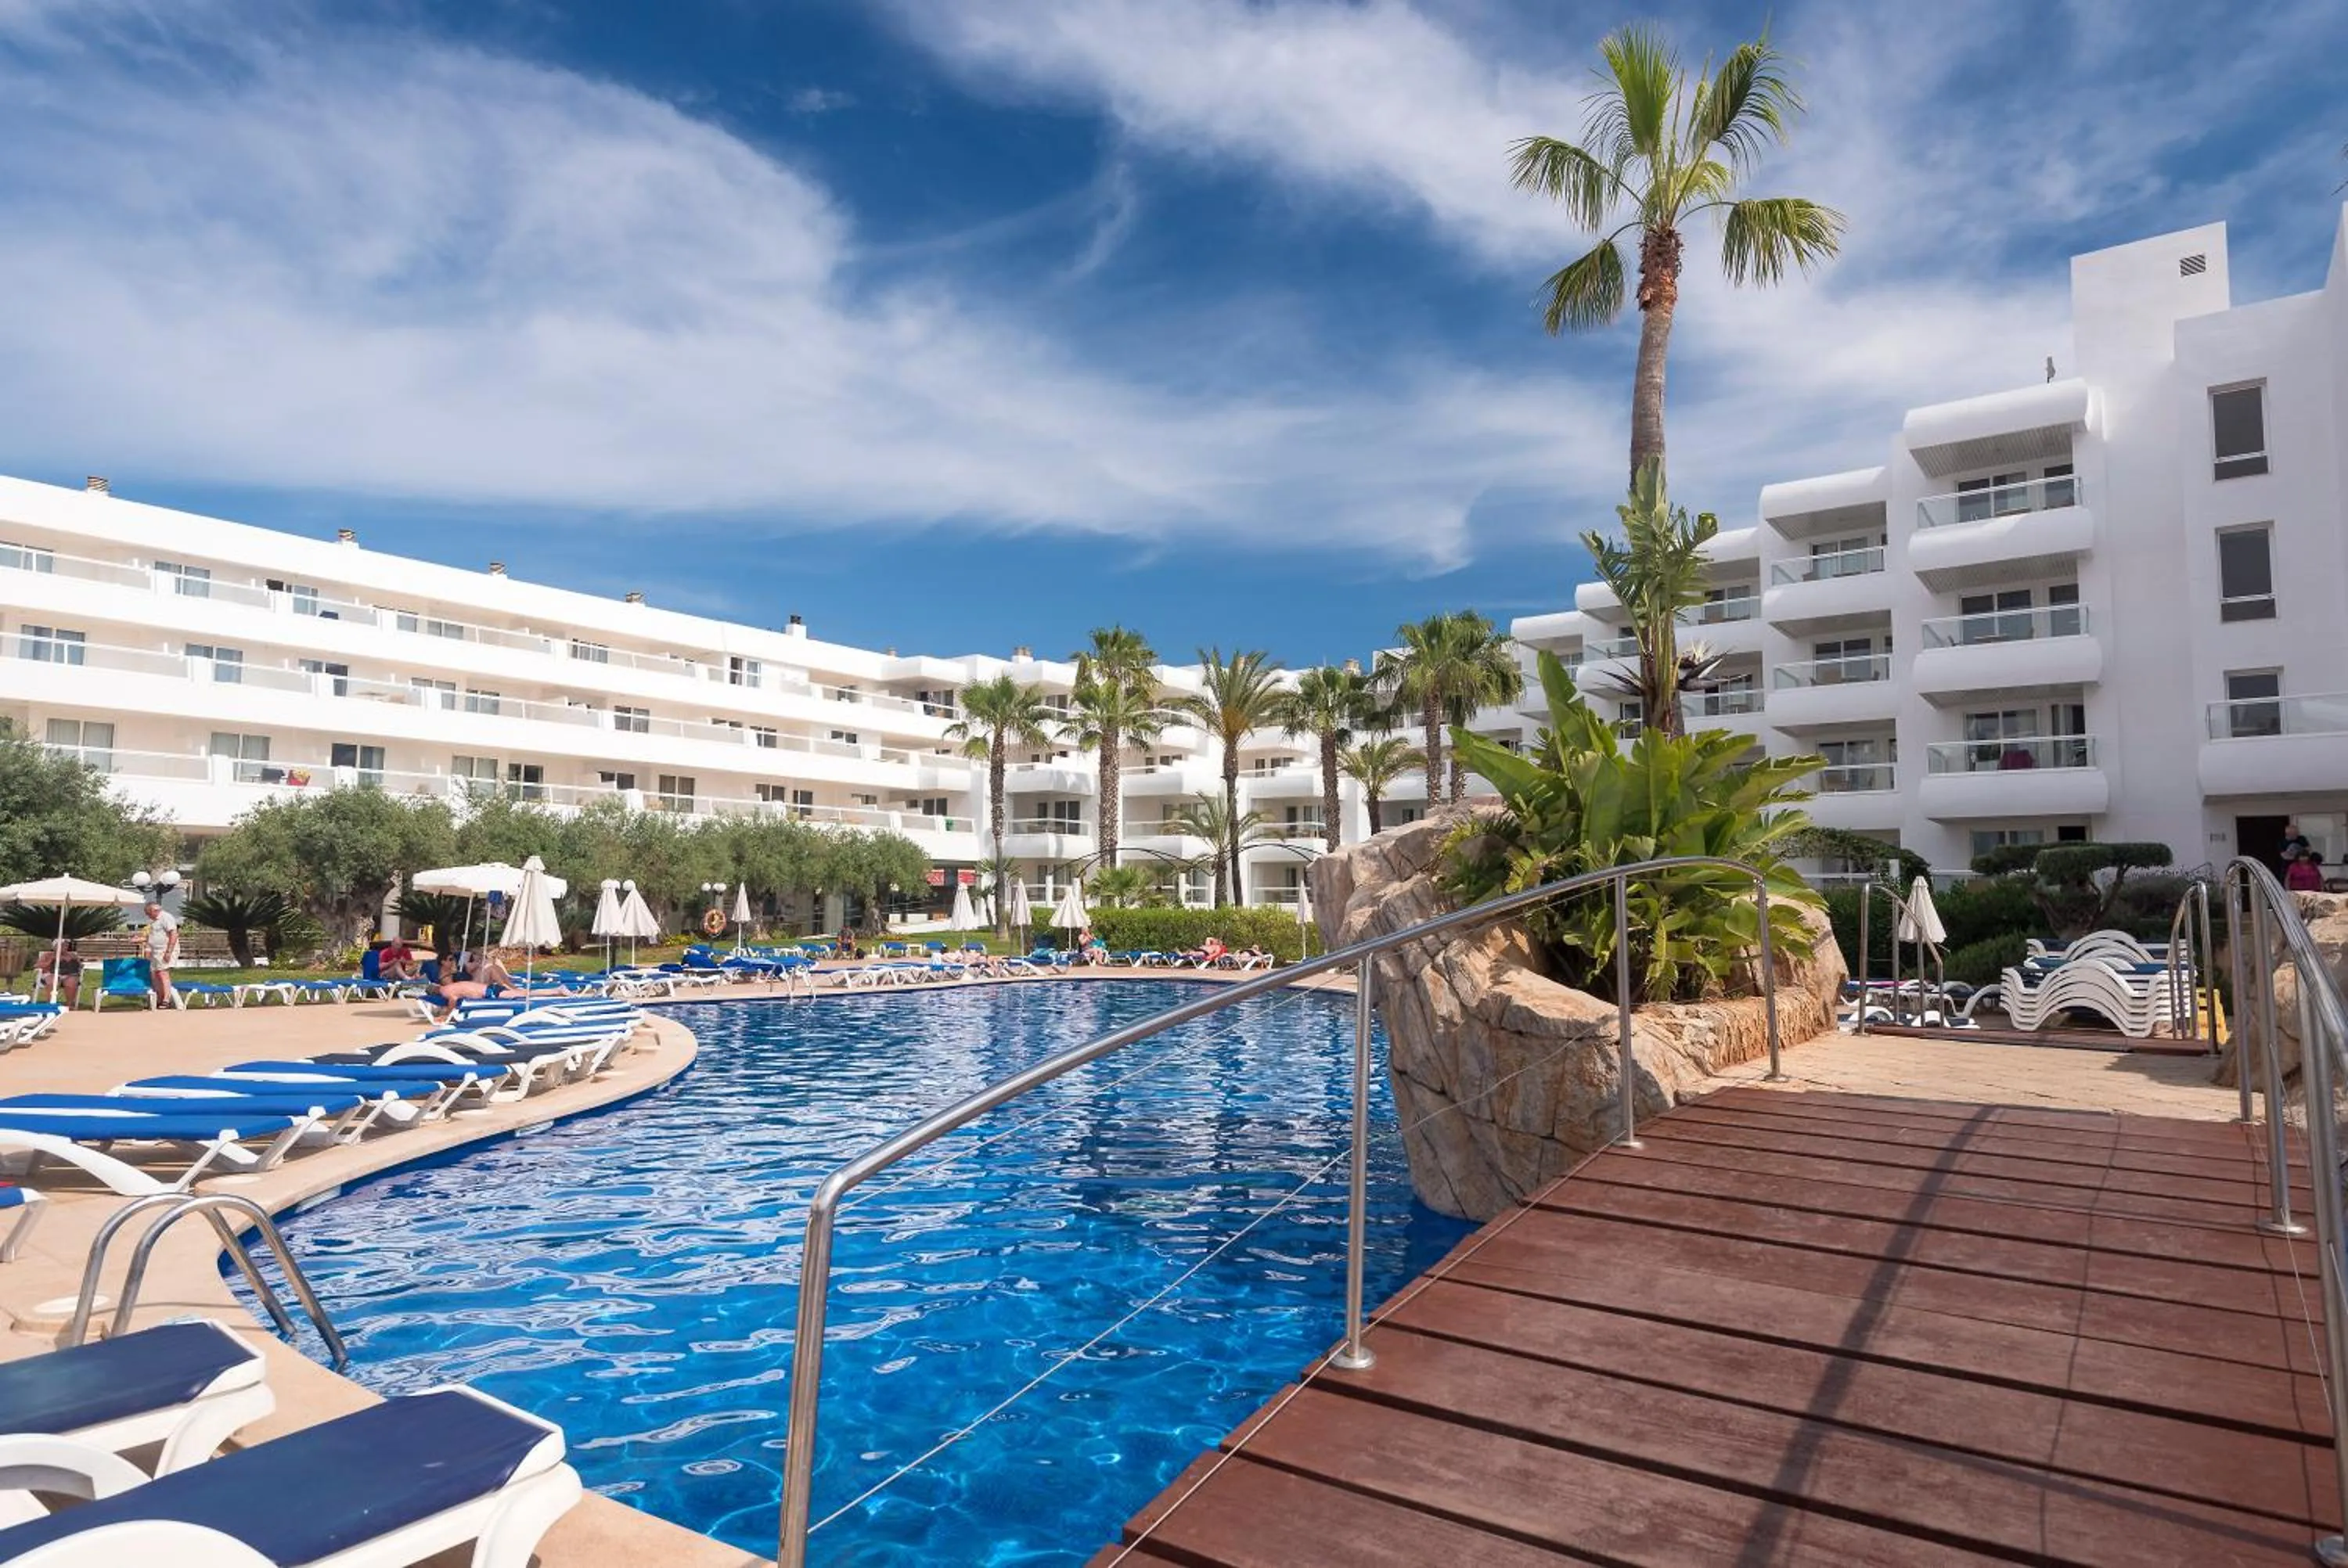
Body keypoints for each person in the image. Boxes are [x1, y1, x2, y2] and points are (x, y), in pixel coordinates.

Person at [142, 900, 179, 1008]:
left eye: (148, 914)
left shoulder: (166, 917)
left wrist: (169, 952)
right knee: (155, 974)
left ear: (154, 911)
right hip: (156, 951)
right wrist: (140, 940)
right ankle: (159, 998)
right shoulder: (154, 921)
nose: (148, 916)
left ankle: (166, 1000)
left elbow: (173, 934)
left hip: (165, 950)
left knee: (163, 973)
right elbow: (153, 937)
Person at [33, 937, 80, 1007]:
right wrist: (49, 961)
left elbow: (79, 966)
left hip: (68, 975)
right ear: (55, 946)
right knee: (53, 980)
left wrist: (76, 963)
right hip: (50, 974)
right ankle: (50, 1004)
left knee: (71, 981)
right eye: (63, 945)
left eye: (66, 945)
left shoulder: (72, 955)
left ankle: (69, 1005)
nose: (65, 947)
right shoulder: (47, 955)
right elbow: (37, 965)